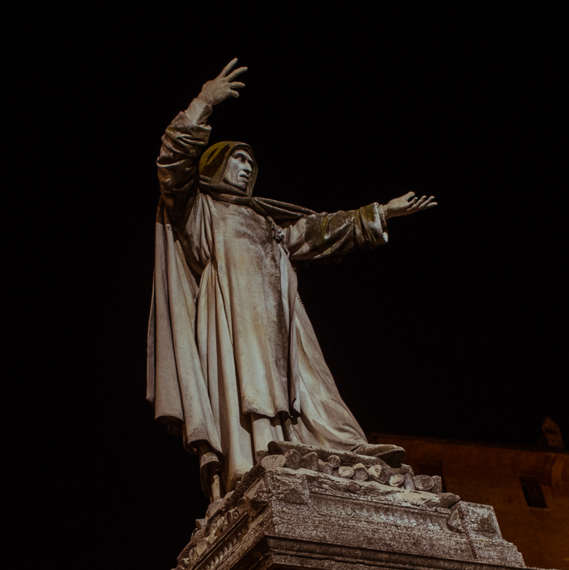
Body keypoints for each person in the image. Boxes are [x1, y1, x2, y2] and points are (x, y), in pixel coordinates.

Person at [147, 60, 436, 501]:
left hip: (282, 320)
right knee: (248, 383)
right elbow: (172, 165)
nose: (247, 169)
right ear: (217, 165)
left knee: (312, 386)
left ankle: (329, 449)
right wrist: (203, 103)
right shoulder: (198, 210)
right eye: (238, 160)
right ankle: (255, 458)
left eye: (252, 164)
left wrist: (379, 214)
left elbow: (320, 232)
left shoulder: (267, 222)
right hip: (229, 314)